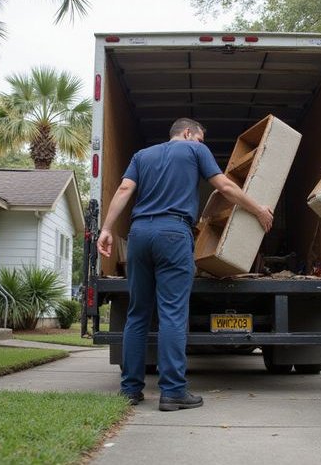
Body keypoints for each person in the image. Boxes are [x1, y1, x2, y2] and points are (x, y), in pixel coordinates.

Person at [97, 117, 273, 411]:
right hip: (173, 233)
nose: (202, 144)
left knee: (138, 314)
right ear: (189, 133)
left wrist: (106, 229)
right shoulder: (194, 150)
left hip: (139, 234)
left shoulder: (141, 156)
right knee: (172, 315)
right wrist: (258, 209)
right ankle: (173, 392)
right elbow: (225, 188)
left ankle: (130, 390)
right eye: (201, 138)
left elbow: (124, 191)